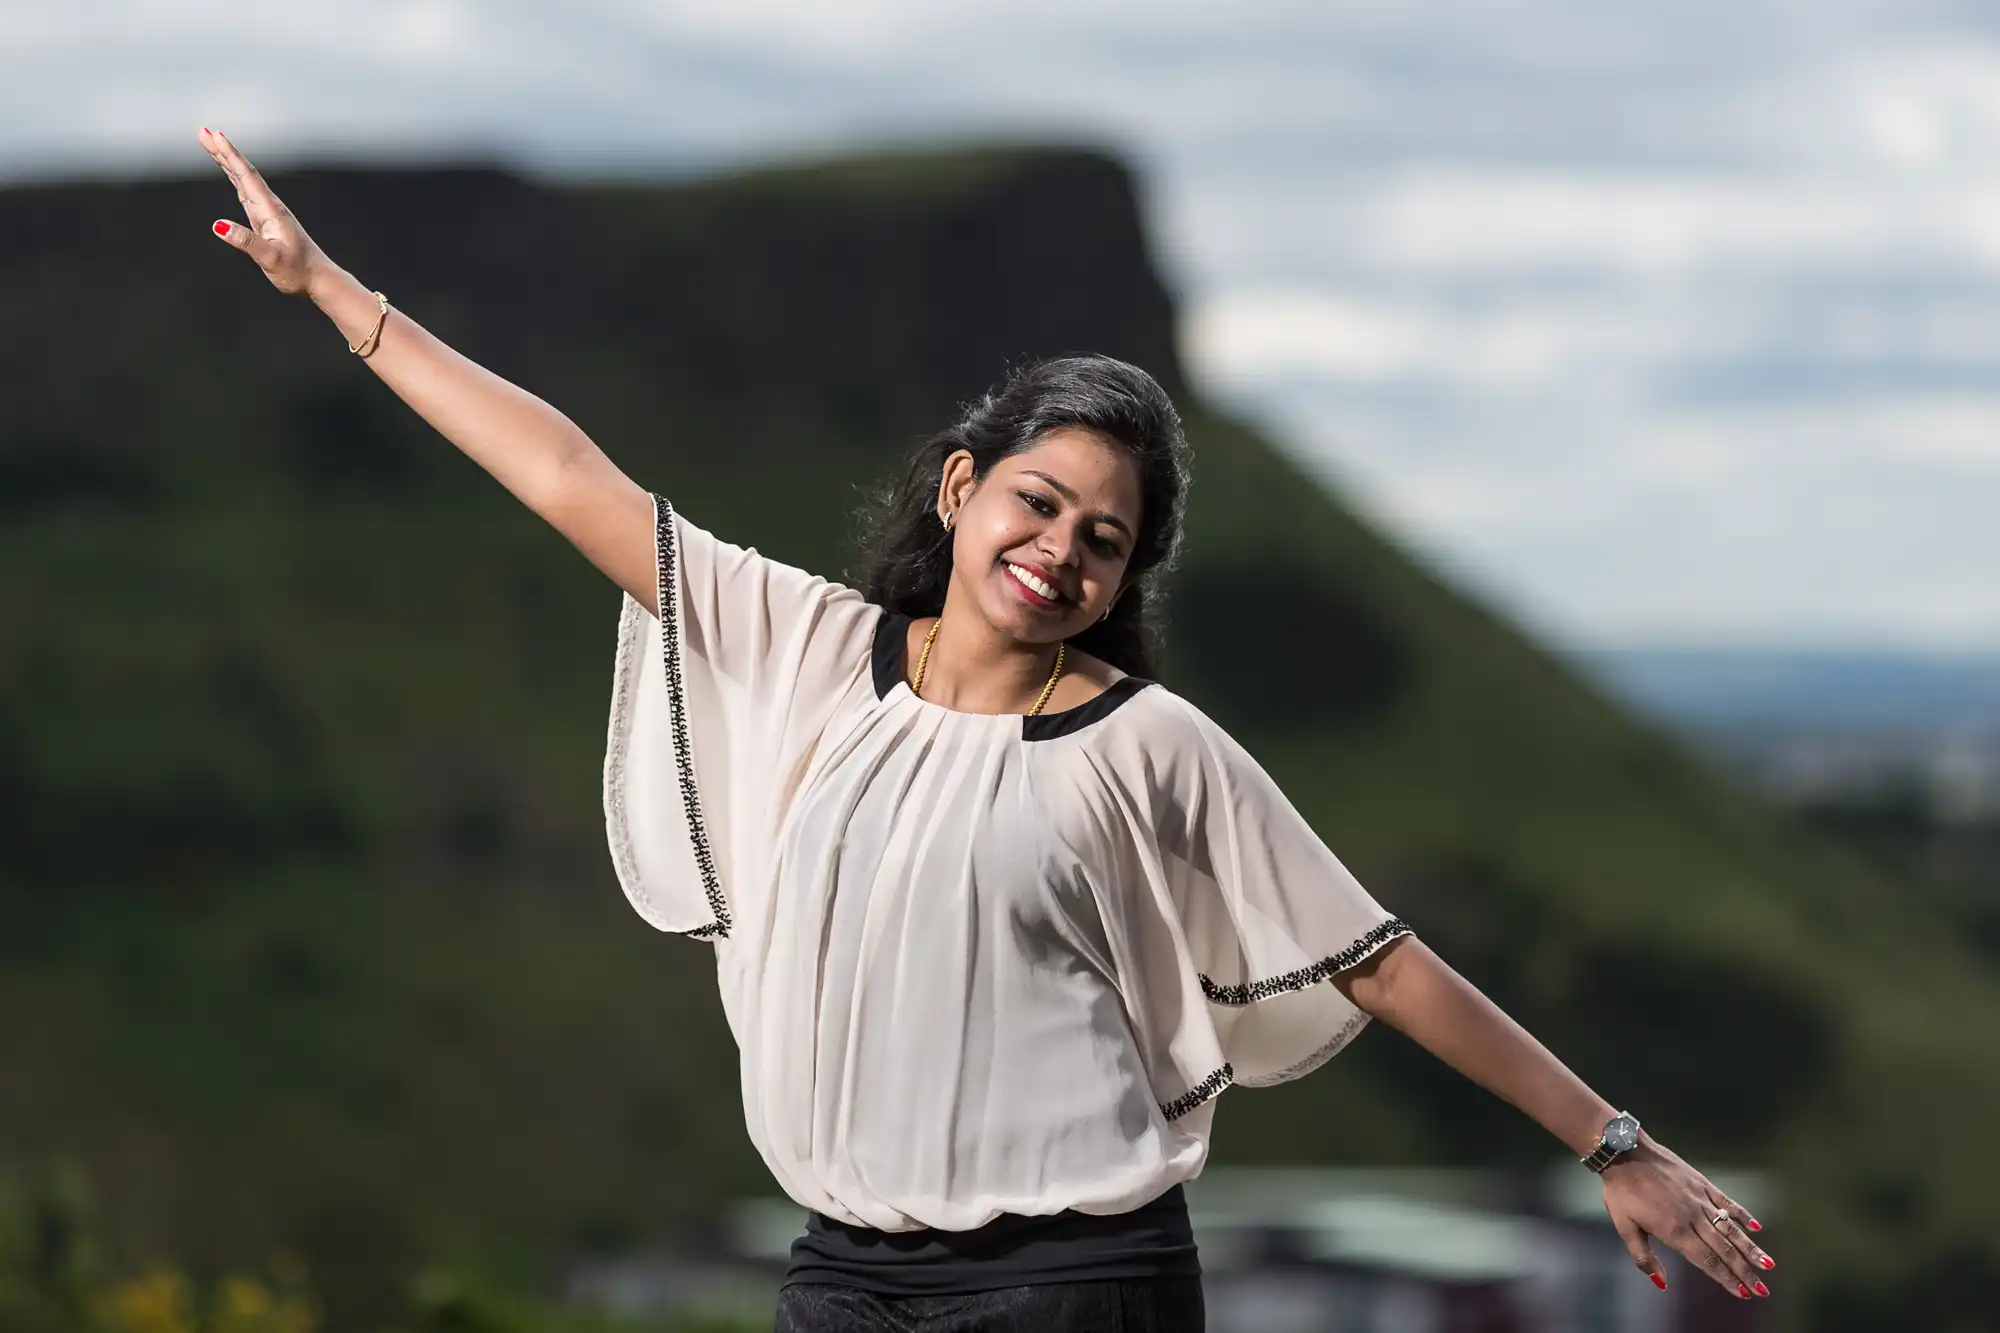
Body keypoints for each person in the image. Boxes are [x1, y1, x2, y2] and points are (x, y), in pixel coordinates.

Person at [199, 127, 1779, 1332]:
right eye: (1043, 502)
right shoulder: (807, 647)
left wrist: (1612, 1140)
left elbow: (1378, 958)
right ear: (964, 490)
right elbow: (567, 479)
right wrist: (329, 289)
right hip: (839, 1282)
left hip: (1074, 1290)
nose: (1064, 551)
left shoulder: (1151, 747)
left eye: (1106, 540)